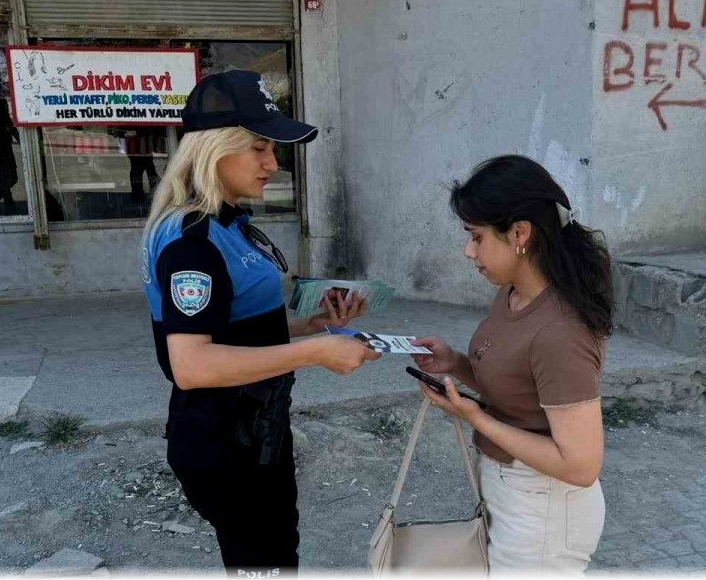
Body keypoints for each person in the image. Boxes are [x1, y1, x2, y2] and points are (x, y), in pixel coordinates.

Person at [141, 70, 379, 575]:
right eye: (258, 149)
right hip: (223, 433)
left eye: (273, 150)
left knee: (276, 554)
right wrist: (316, 354)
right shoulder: (192, 242)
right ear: (214, 149)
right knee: (262, 562)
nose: (273, 164)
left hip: (258, 423)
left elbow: (241, 331)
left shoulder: (232, 225)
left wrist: (319, 327)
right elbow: (192, 364)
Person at [410, 155, 611, 574]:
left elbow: (580, 465)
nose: (469, 251)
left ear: (519, 232)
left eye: (476, 237)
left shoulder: (560, 331)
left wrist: (474, 417)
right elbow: (518, 387)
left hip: (545, 511)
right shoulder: (514, 294)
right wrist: (456, 364)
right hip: (512, 494)